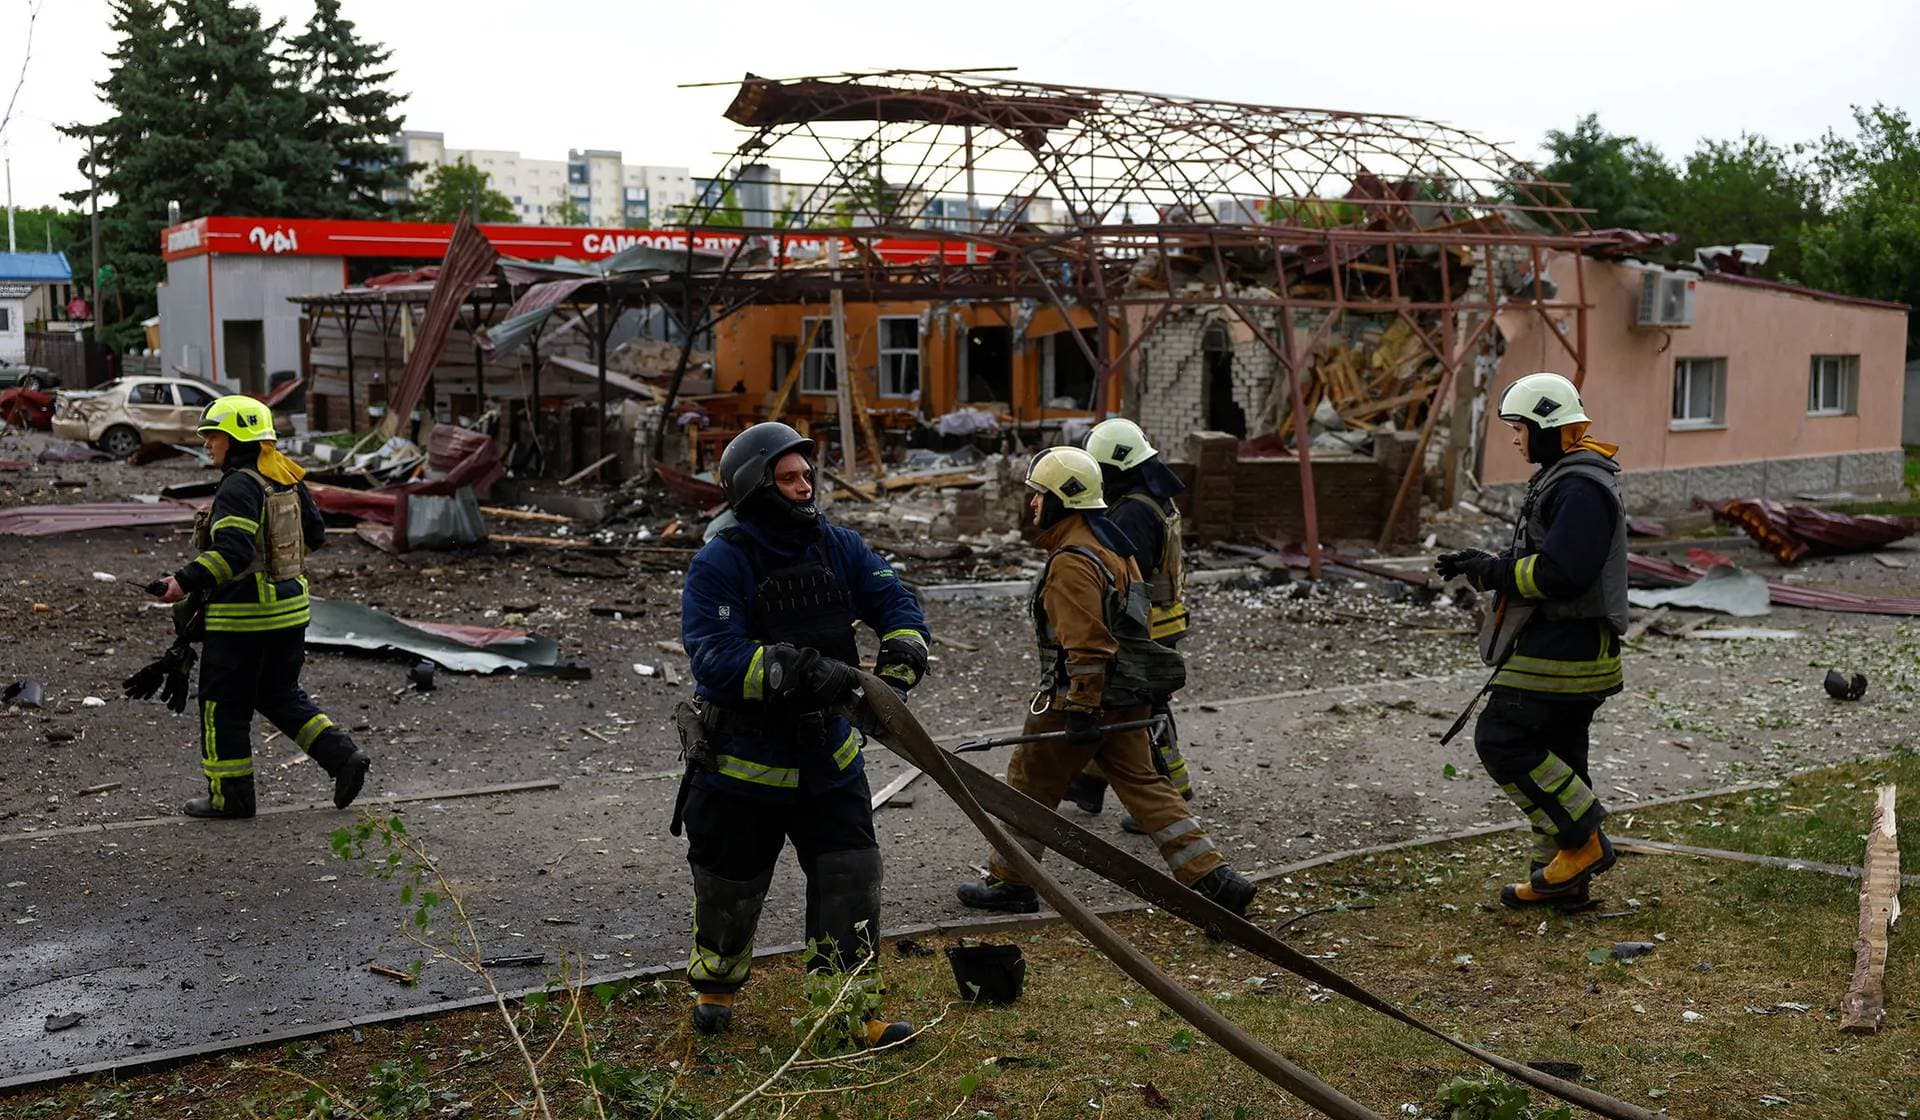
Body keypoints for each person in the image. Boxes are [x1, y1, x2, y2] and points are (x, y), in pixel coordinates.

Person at [677, 422, 929, 1044]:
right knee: (728, 888)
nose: (803, 487)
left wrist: (896, 673)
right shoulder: (721, 561)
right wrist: (803, 668)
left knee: (851, 877)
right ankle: (715, 987)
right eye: (788, 478)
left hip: (829, 758)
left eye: (806, 475)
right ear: (754, 487)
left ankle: (849, 1009)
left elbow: (898, 606)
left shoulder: (838, 546)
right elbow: (714, 657)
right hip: (742, 762)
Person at [957, 447, 1256, 916]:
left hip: (1080, 699)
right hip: (1127, 696)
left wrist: (1080, 708)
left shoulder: (1073, 562)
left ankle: (1011, 882)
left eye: (1039, 496)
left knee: (1027, 785)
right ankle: (1215, 879)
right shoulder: (1112, 545)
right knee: (1147, 785)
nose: (1033, 505)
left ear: (1062, 501)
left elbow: (1088, 644)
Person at [1435, 372, 1626, 909]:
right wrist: (1486, 563)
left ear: (1548, 429)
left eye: (1520, 428)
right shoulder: (1565, 479)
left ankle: (1584, 843)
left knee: (1502, 737)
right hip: (1570, 646)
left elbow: (1563, 573)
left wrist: (1495, 572)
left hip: (1568, 649)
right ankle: (1561, 880)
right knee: (1561, 758)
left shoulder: (1581, 488)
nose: (1515, 438)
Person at [152, 395, 371, 819]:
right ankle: (343, 757)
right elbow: (316, 533)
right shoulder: (285, 478)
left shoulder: (238, 485)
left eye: (213, 436)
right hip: (290, 613)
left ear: (235, 439)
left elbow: (232, 552)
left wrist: (182, 581)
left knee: (221, 705)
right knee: (277, 693)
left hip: (242, 620)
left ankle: (229, 797)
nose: (207, 444)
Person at [1062, 418, 1194, 834]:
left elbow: (1121, 573)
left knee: (1142, 708)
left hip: (1145, 626)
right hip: (1162, 620)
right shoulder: (1154, 498)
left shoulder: (1135, 511)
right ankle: (1087, 785)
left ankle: (1170, 790)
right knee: (1117, 705)